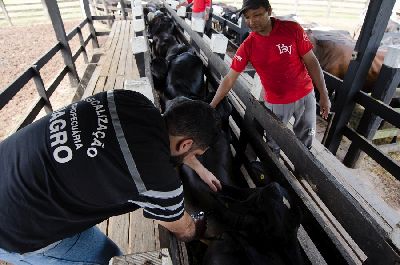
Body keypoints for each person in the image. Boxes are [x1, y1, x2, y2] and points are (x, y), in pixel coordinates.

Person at [0, 90, 222, 265]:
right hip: (14, 227)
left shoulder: (129, 99)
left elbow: (168, 145)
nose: (193, 159)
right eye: (195, 155)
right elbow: (182, 228)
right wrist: (198, 228)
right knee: (111, 259)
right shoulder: (158, 179)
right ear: (185, 145)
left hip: (13, 169)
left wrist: (196, 165)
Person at [210, 0, 331, 152]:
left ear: (269, 10)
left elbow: (311, 61)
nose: (252, 21)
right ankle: (275, 173)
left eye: (257, 15)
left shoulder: (292, 29)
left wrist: (324, 94)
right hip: (276, 102)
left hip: (305, 96)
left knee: (306, 139)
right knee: (273, 142)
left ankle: (300, 174)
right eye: (247, 17)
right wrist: (212, 105)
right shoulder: (248, 46)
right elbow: (229, 78)